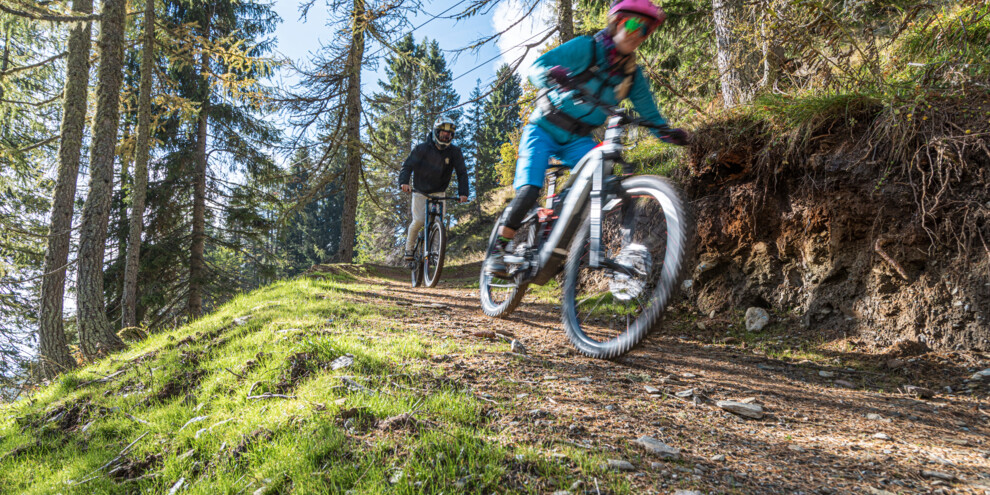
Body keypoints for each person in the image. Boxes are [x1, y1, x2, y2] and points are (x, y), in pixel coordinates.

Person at [484, 0, 690, 275]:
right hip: (543, 129)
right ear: (617, 23)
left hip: (578, 139)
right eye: (632, 24)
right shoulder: (586, 48)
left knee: (599, 182)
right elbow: (538, 66)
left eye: (645, 31)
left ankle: (560, 234)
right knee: (530, 190)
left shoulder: (631, 75)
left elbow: (650, 114)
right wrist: (552, 75)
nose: (636, 33)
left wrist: (668, 133)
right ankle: (499, 249)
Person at [399, 114, 469, 261]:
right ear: (436, 132)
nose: (446, 136)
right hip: (420, 190)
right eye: (443, 133)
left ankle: (435, 255)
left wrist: (463, 193)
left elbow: (462, 173)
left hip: (439, 191)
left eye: (449, 134)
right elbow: (407, 166)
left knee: (439, 224)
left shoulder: (454, 152)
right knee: (418, 221)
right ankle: (409, 250)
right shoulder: (422, 149)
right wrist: (404, 182)